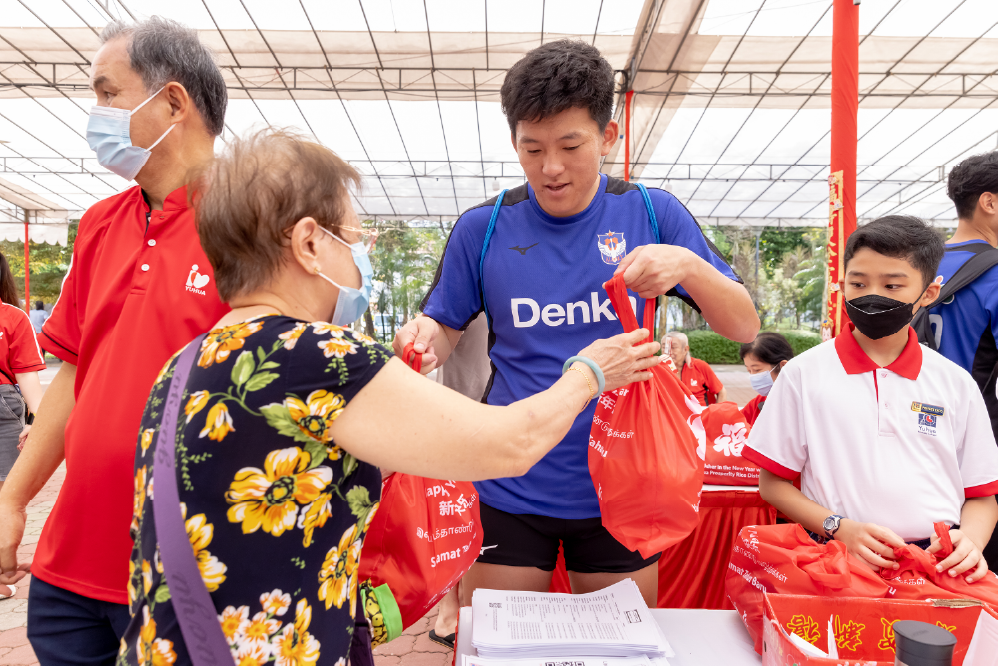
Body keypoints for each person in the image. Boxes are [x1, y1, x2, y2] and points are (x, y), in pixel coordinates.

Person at [120, 128, 659, 665]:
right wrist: (590, 373)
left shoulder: (188, 361)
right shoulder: (319, 357)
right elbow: (511, 444)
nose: (362, 255)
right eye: (354, 236)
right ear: (309, 244)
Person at [393, 40, 759, 608]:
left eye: (570, 145)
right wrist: (424, 339)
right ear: (514, 141)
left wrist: (688, 265)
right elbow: (443, 327)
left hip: (627, 481)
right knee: (500, 640)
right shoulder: (483, 229)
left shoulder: (652, 212)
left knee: (617, 643)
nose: (551, 167)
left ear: (608, 136)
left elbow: (743, 327)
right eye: (532, 148)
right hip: (508, 477)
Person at [0, 17, 231, 663]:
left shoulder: (250, 226)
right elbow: (76, 374)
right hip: (69, 567)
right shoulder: (101, 223)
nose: (96, 113)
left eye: (108, 93)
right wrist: (13, 498)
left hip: (191, 572)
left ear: (173, 101)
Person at [745, 216, 998, 582]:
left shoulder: (955, 383)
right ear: (842, 285)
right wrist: (838, 527)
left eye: (892, 285)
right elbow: (772, 485)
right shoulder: (803, 374)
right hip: (835, 562)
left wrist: (971, 541)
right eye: (858, 283)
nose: (872, 295)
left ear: (929, 293)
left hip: (934, 567)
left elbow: (982, 495)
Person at [926, 152, 998, 572]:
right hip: (973, 443)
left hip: (909, 431)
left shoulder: (914, 265)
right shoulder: (996, 274)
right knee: (973, 563)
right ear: (989, 202)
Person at [0, 255, 46, 601]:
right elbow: (28, 380)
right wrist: (37, 422)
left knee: (6, 498)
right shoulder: (12, 317)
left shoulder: (12, 317)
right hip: (4, 405)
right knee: (6, 497)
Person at [738, 332, 795, 426]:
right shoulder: (758, 403)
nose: (753, 376)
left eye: (757, 370)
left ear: (783, 366)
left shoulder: (804, 404)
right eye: (749, 370)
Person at [663, 330, 727, 406]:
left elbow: (721, 392)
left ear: (685, 349)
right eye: (664, 347)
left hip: (699, 411)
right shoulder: (656, 369)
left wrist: (717, 412)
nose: (668, 352)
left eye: (673, 347)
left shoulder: (700, 366)